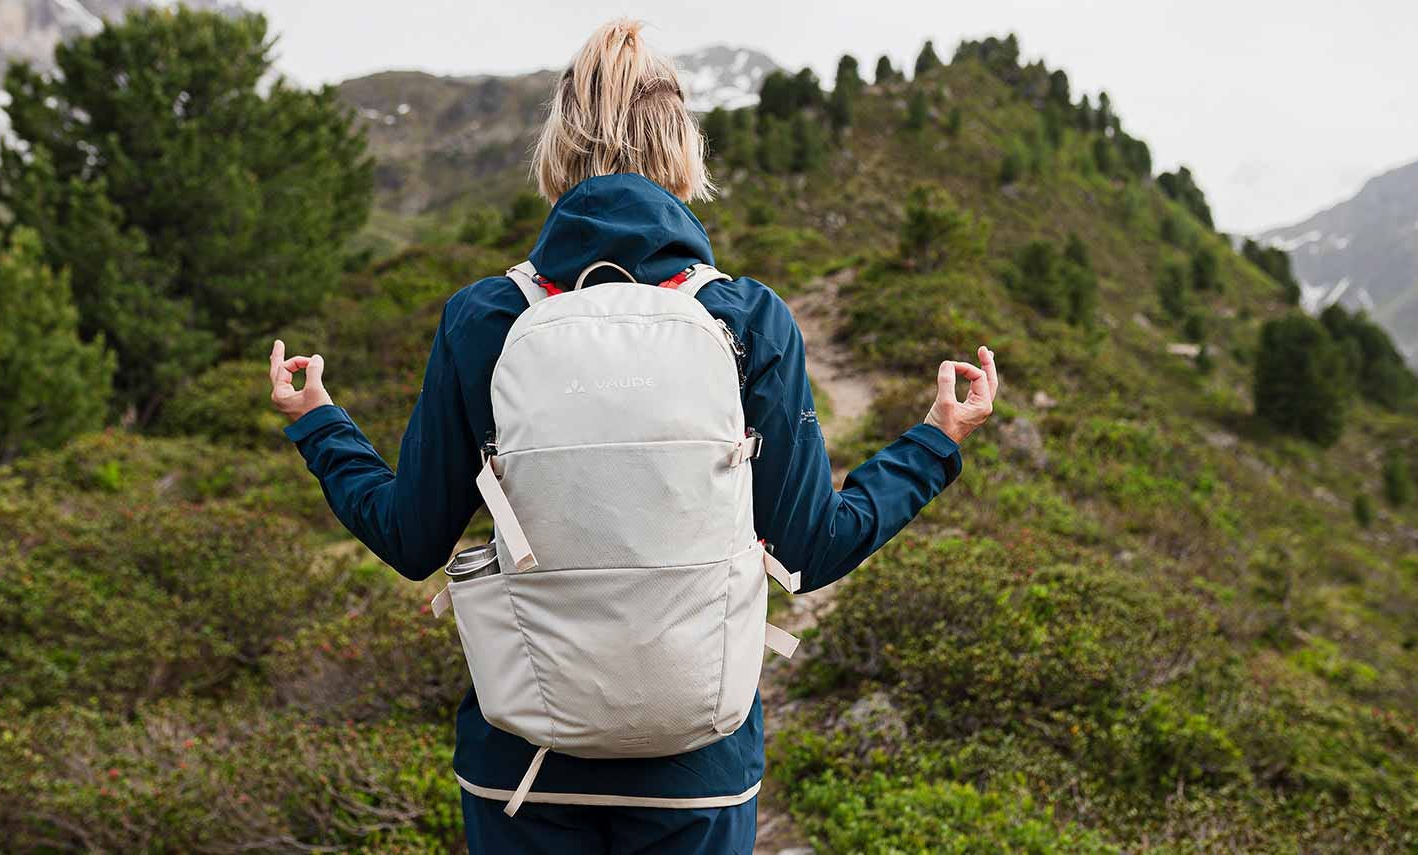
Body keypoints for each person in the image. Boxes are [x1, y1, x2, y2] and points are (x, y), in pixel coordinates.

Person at [267, 18, 998, 855]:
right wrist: (935, 440)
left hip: (522, 769)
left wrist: (322, 425)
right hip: (699, 773)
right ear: (682, 147)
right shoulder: (747, 318)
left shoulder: (485, 318)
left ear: (558, 149)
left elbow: (410, 536)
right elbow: (814, 548)